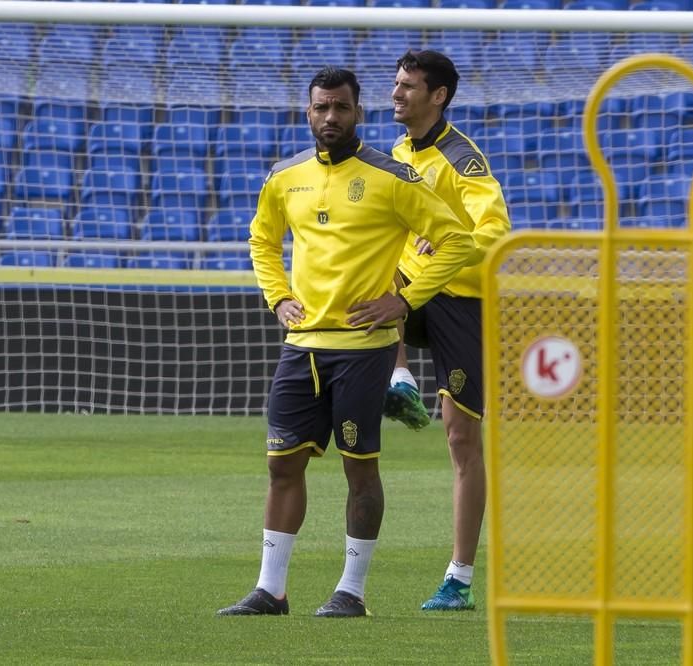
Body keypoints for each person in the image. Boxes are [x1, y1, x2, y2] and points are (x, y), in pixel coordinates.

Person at [217, 66, 474, 618]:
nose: (330, 116)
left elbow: (457, 239)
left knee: (360, 468)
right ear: (308, 113)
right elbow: (262, 240)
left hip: (365, 347)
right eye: (321, 108)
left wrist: (404, 301)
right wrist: (277, 298)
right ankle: (271, 591)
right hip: (302, 345)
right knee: (282, 466)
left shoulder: (393, 176)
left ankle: (351, 592)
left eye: (341, 107)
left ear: (358, 111)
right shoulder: (285, 177)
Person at [385, 50, 511, 611]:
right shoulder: (394, 153)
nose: (397, 94)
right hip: (416, 284)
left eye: (409, 86)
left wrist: (454, 245)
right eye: (396, 84)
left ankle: (458, 578)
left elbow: (497, 231)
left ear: (437, 96)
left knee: (461, 437)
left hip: (463, 298)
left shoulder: (462, 158)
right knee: (365, 285)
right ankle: (400, 377)